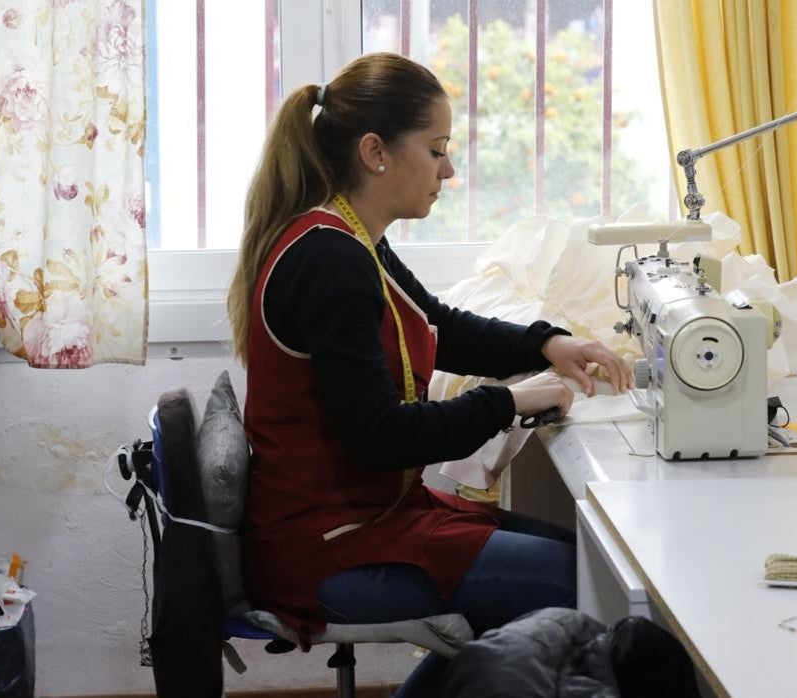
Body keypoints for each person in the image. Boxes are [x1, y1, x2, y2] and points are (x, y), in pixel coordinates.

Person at [228, 52, 633, 696]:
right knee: (583, 584)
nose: (449, 169)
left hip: (370, 514)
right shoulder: (331, 257)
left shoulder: (351, 236)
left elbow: (437, 326)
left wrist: (549, 341)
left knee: (589, 561)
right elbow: (379, 436)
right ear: (375, 152)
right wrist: (508, 402)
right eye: (437, 148)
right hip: (329, 543)